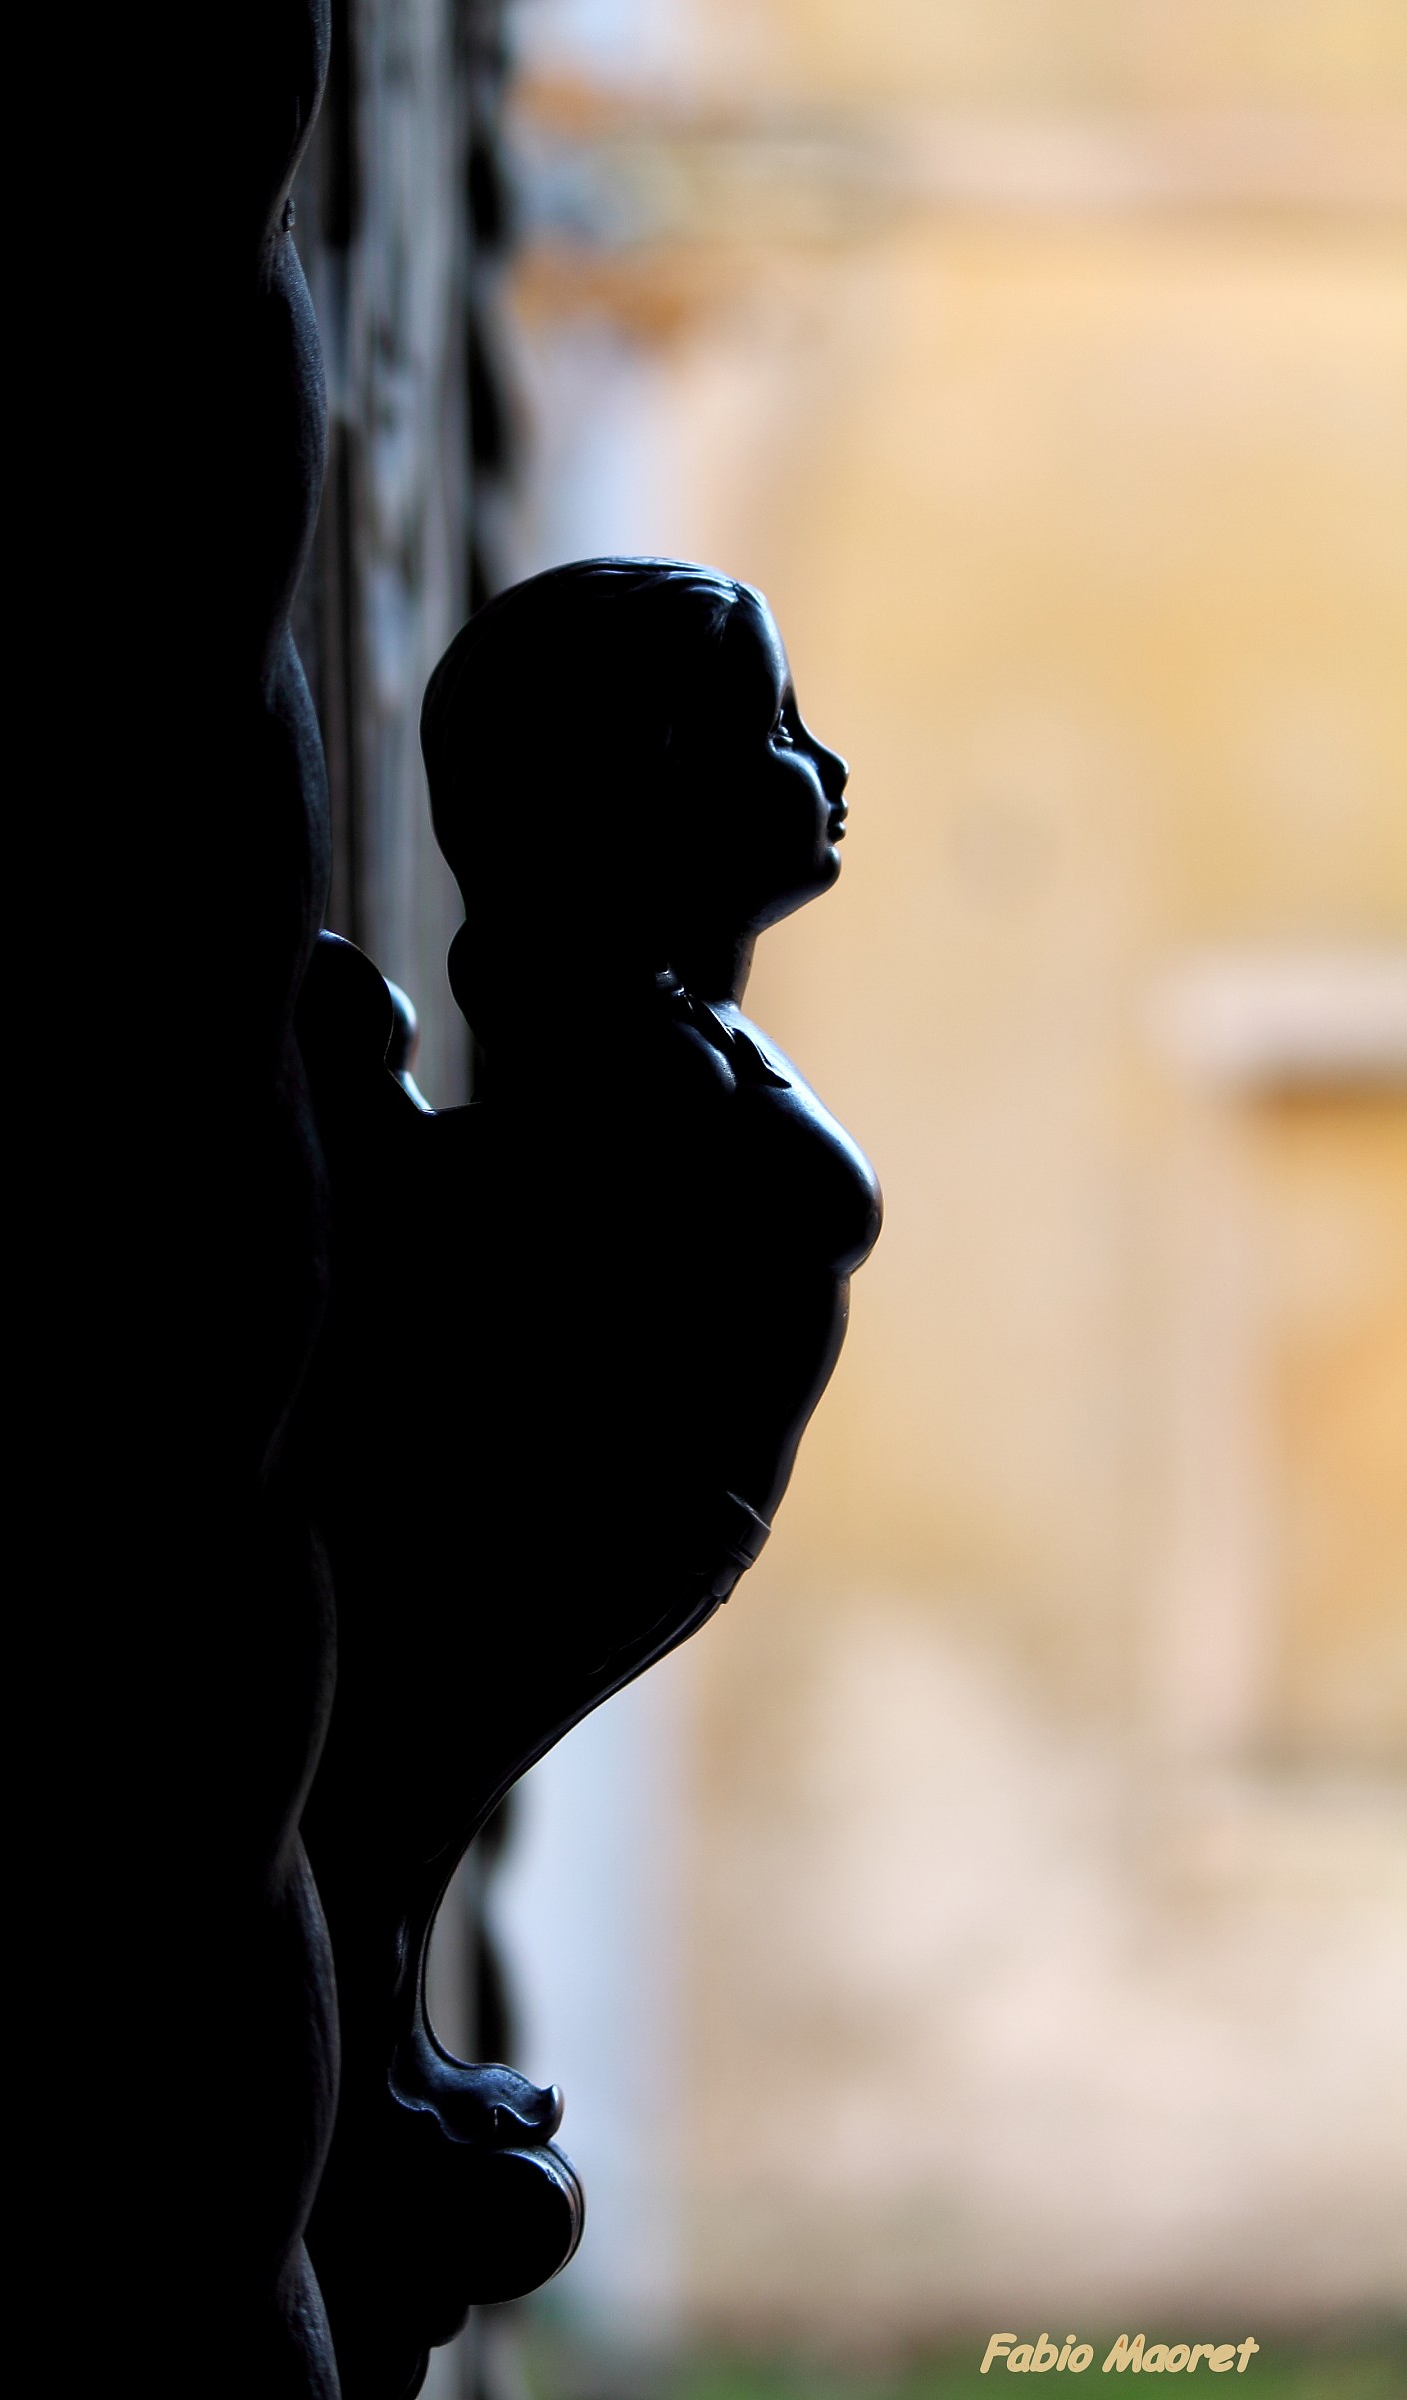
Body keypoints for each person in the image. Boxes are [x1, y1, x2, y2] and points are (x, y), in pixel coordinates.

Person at [295, 557, 880, 2390]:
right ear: (635, 791)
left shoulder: (657, 1023)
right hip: (591, 1494)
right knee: (384, 1798)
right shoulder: (614, 1034)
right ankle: (348, 2079)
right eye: (772, 733)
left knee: (407, 1800)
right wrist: (357, 1121)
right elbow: (496, 1224)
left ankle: (371, 2066)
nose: (826, 767)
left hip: (650, 1499)